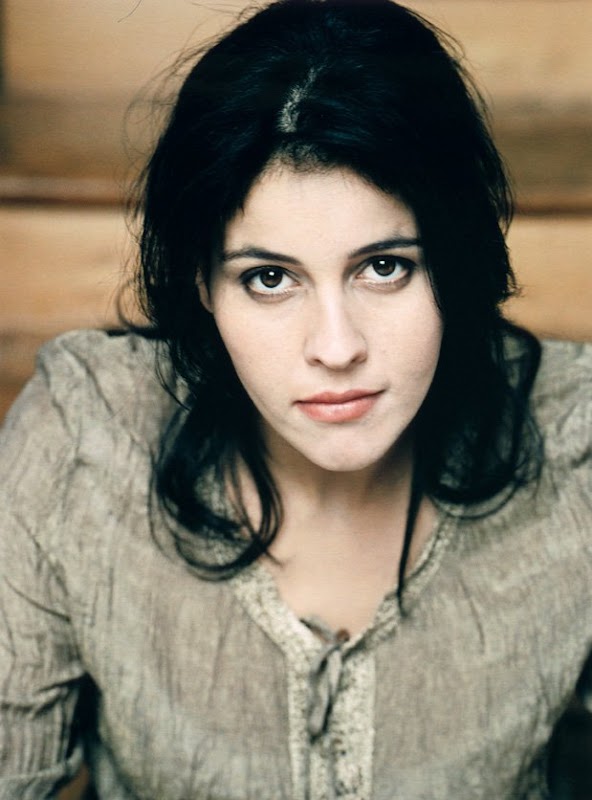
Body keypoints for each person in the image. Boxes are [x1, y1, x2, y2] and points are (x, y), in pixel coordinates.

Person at [0, 1, 590, 798]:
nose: (337, 347)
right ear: (201, 285)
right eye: (270, 278)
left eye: (385, 267)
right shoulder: (84, 440)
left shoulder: (576, 447)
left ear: (456, 260)